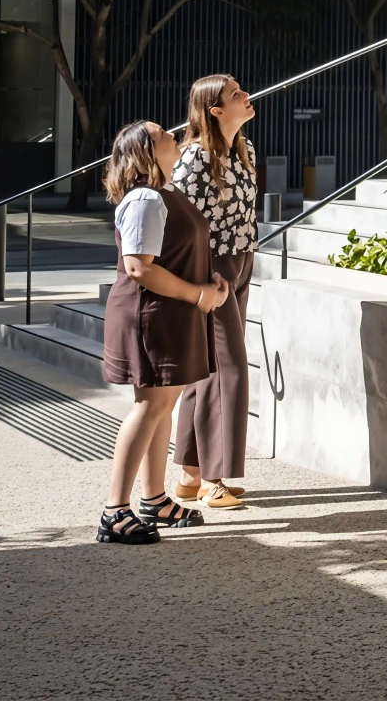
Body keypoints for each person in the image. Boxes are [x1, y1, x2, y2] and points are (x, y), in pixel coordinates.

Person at [98, 120, 229, 545]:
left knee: (162, 405)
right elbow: (139, 267)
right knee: (149, 406)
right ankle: (115, 512)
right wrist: (197, 294)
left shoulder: (167, 194)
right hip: (151, 314)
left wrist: (209, 282)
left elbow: (176, 251)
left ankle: (153, 499)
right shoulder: (144, 199)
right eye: (162, 135)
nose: (172, 135)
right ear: (146, 152)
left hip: (171, 311)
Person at [170, 74, 259, 510]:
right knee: (229, 369)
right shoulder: (193, 159)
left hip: (241, 263)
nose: (246, 96)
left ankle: (188, 475)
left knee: (208, 371)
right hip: (213, 272)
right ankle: (213, 479)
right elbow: (182, 224)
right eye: (236, 94)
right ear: (215, 110)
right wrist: (198, 281)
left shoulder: (244, 152)